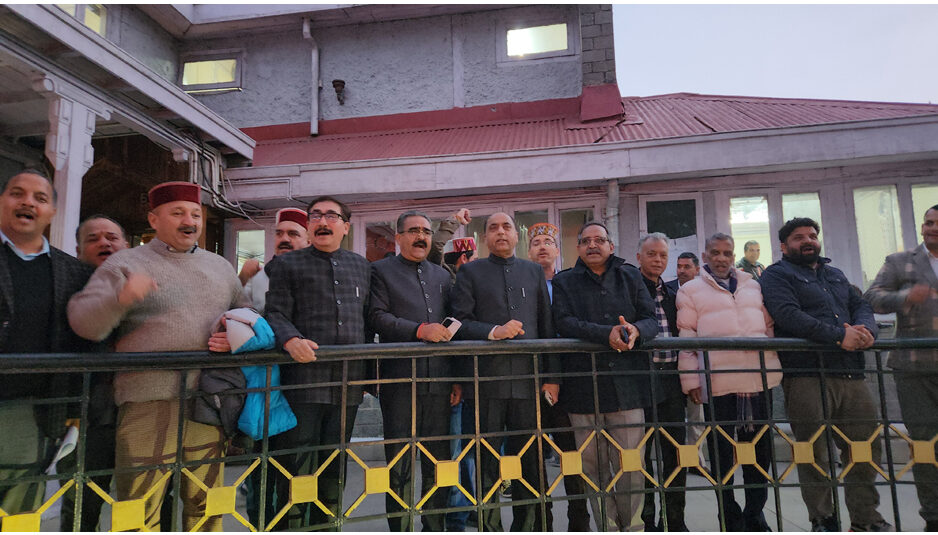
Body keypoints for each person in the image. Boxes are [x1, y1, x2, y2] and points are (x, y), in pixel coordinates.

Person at [68, 181, 248, 531]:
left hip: (207, 400)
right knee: (139, 505)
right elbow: (84, 323)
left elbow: (246, 314)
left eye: (195, 214)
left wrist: (235, 336)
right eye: (178, 213)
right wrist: (121, 299)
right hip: (145, 402)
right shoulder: (124, 263)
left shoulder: (221, 267)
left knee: (207, 503)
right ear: (154, 219)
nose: (189, 221)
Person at [760, 217, 891, 532]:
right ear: (784, 246)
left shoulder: (836, 274)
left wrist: (866, 331)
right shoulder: (777, 275)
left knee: (864, 447)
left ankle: (865, 518)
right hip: (807, 374)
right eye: (799, 237)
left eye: (812, 235)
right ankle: (822, 519)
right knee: (813, 451)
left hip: (850, 373)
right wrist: (839, 336)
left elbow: (861, 305)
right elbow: (788, 315)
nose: (808, 240)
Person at [264, 195, 371, 529]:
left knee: (335, 465)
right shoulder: (287, 265)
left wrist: (371, 377)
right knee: (296, 467)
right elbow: (275, 313)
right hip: (303, 382)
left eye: (332, 216)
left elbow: (369, 319)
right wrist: (290, 339)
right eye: (316, 216)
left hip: (348, 382)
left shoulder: (361, 266)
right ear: (309, 225)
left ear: (346, 227)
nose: (323, 222)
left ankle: (328, 526)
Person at [450, 212, 558, 531]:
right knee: (486, 462)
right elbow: (459, 323)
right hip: (485, 382)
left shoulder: (532, 271)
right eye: (493, 227)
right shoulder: (470, 272)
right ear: (485, 237)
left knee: (531, 459)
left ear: (516, 236)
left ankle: (529, 526)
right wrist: (493, 331)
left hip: (528, 382)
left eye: (507, 226)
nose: (501, 232)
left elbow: (546, 325)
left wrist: (552, 377)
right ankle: (490, 526)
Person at [551, 221, 658, 532]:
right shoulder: (564, 281)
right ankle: (607, 527)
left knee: (631, 465)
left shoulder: (630, 275)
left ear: (611, 246)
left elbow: (650, 319)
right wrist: (605, 334)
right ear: (578, 248)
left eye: (599, 240)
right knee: (592, 468)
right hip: (583, 386)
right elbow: (563, 321)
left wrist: (636, 330)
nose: (592, 245)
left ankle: (632, 527)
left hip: (627, 385)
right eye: (586, 241)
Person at [0, 169, 93, 521]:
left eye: (40, 198)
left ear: (52, 212)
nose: (28, 202)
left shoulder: (73, 272)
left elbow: (80, 342)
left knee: (19, 511)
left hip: (32, 414)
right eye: (17, 193)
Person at [676, 232, 781, 532]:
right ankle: (729, 515)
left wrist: (771, 360)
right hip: (718, 382)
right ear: (705, 256)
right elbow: (687, 337)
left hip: (757, 380)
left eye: (727, 253)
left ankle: (755, 514)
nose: (721, 258)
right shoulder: (690, 290)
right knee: (722, 454)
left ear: (734, 256)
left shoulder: (752, 285)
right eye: (715, 252)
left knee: (760, 452)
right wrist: (691, 379)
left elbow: (768, 327)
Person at [369, 210, 460, 531]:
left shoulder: (441, 275)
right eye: (413, 231)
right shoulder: (380, 271)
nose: (421, 236)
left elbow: (452, 324)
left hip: (440, 379)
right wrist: (419, 330)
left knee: (439, 461)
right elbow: (377, 317)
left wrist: (456, 379)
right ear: (398, 237)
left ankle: (434, 527)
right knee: (399, 463)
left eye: (426, 231)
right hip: (399, 380)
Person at [864, 204, 938, 531]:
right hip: (915, 369)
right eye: (928, 222)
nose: (932, 228)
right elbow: (872, 297)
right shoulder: (900, 261)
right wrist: (906, 296)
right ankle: (933, 516)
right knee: (925, 445)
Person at [59, 214, 129, 531]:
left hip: (140, 407)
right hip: (85, 412)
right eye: (93, 238)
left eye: (112, 237)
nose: (104, 243)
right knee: (81, 501)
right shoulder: (67, 287)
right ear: (78, 250)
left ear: (126, 245)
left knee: (144, 497)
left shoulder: (144, 279)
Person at [526, 222, 591, 532]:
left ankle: (579, 520)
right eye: (536, 242)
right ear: (528, 252)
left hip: (569, 380)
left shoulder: (568, 283)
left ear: (557, 250)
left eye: (547, 242)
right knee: (534, 456)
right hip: (530, 378)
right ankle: (542, 521)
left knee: (572, 453)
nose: (542, 246)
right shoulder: (522, 283)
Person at [635, 233, 688, 532]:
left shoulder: (671, 293)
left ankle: (674, 519)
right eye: (651, 254)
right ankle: (647, 521)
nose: (658, 260)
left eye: (663, 255)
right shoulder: (630, 288)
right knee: (642, 456)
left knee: (675, 453)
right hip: (642, 381)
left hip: (671, 380)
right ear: (639, 257)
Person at [238, 208, 310, 312]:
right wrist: (242, 280)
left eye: (293, 234)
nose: (284, 239)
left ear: (309, 241)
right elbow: (235, 310)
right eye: (279, 233)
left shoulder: (320, 276)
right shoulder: (259, 277)